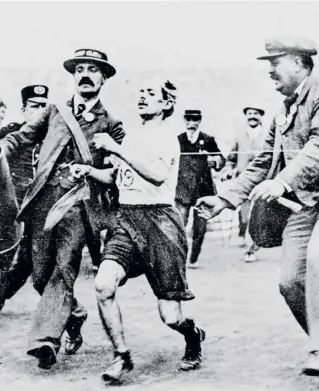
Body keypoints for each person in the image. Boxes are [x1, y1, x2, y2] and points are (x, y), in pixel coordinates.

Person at [196, 37, 319, 377]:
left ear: (298, 63)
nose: (269, 70)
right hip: (306, 203)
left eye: (275, 62)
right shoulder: (283, 111)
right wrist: (225, 198)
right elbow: (262, 161)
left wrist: (282, 182)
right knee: (288, 281)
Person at [0, 49, 125, 369]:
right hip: (42, 202)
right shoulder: (55, 112)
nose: (85, 74)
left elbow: (118, 172)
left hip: (78, 206)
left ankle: (45, 341)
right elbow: (23, 136)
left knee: (63, 270)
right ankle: (75, 315)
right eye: (80, 68)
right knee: (39, 276)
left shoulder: (113, 125)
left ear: (104, 78)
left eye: (93, 70)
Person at [70, 79, 206, 383]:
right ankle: (121, 355)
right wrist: (89, 171)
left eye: (150, 95)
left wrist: (116, 148)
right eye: (140, 94)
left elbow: (157, 176)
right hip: (127, 221)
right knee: (104, 285)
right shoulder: (131, 138)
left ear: (166, 104)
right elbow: (116, 177)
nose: (142, 98)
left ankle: (193, 335)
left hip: (161, 224)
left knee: (170, 316)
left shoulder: (168, 139)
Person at [0, 85, 48, 327]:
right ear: (23, 110)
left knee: (28, 261)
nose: (39, 111)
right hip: (12, 203)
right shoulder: (10, 132)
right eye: (34, 106)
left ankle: (0, 295)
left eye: (43, 106)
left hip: (39, 207)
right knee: (3, 251)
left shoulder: (52, 137)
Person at [175, 109, 225, 268]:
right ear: (184, 120)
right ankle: (179, 258)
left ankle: (193, 259)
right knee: (180, 226)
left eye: (195, 120)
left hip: (203, 190)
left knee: (200, 229)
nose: (191, 123)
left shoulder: (208, 140)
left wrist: (215, 161)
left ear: (199, 121)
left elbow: (221, 158)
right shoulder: (178, 140)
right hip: (182, 191)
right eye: (188, 119)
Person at [221, 106, 266, 261]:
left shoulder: (268, 136)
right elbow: (231, 159)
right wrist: (228, 170)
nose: (252, 116)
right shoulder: (240, 137)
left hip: (262, 183)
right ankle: (247, 240)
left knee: (258, 218)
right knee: (246, 218)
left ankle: (251, 250)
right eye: (249, 114)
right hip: (244, 184)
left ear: (261, 116)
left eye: (255, 114)